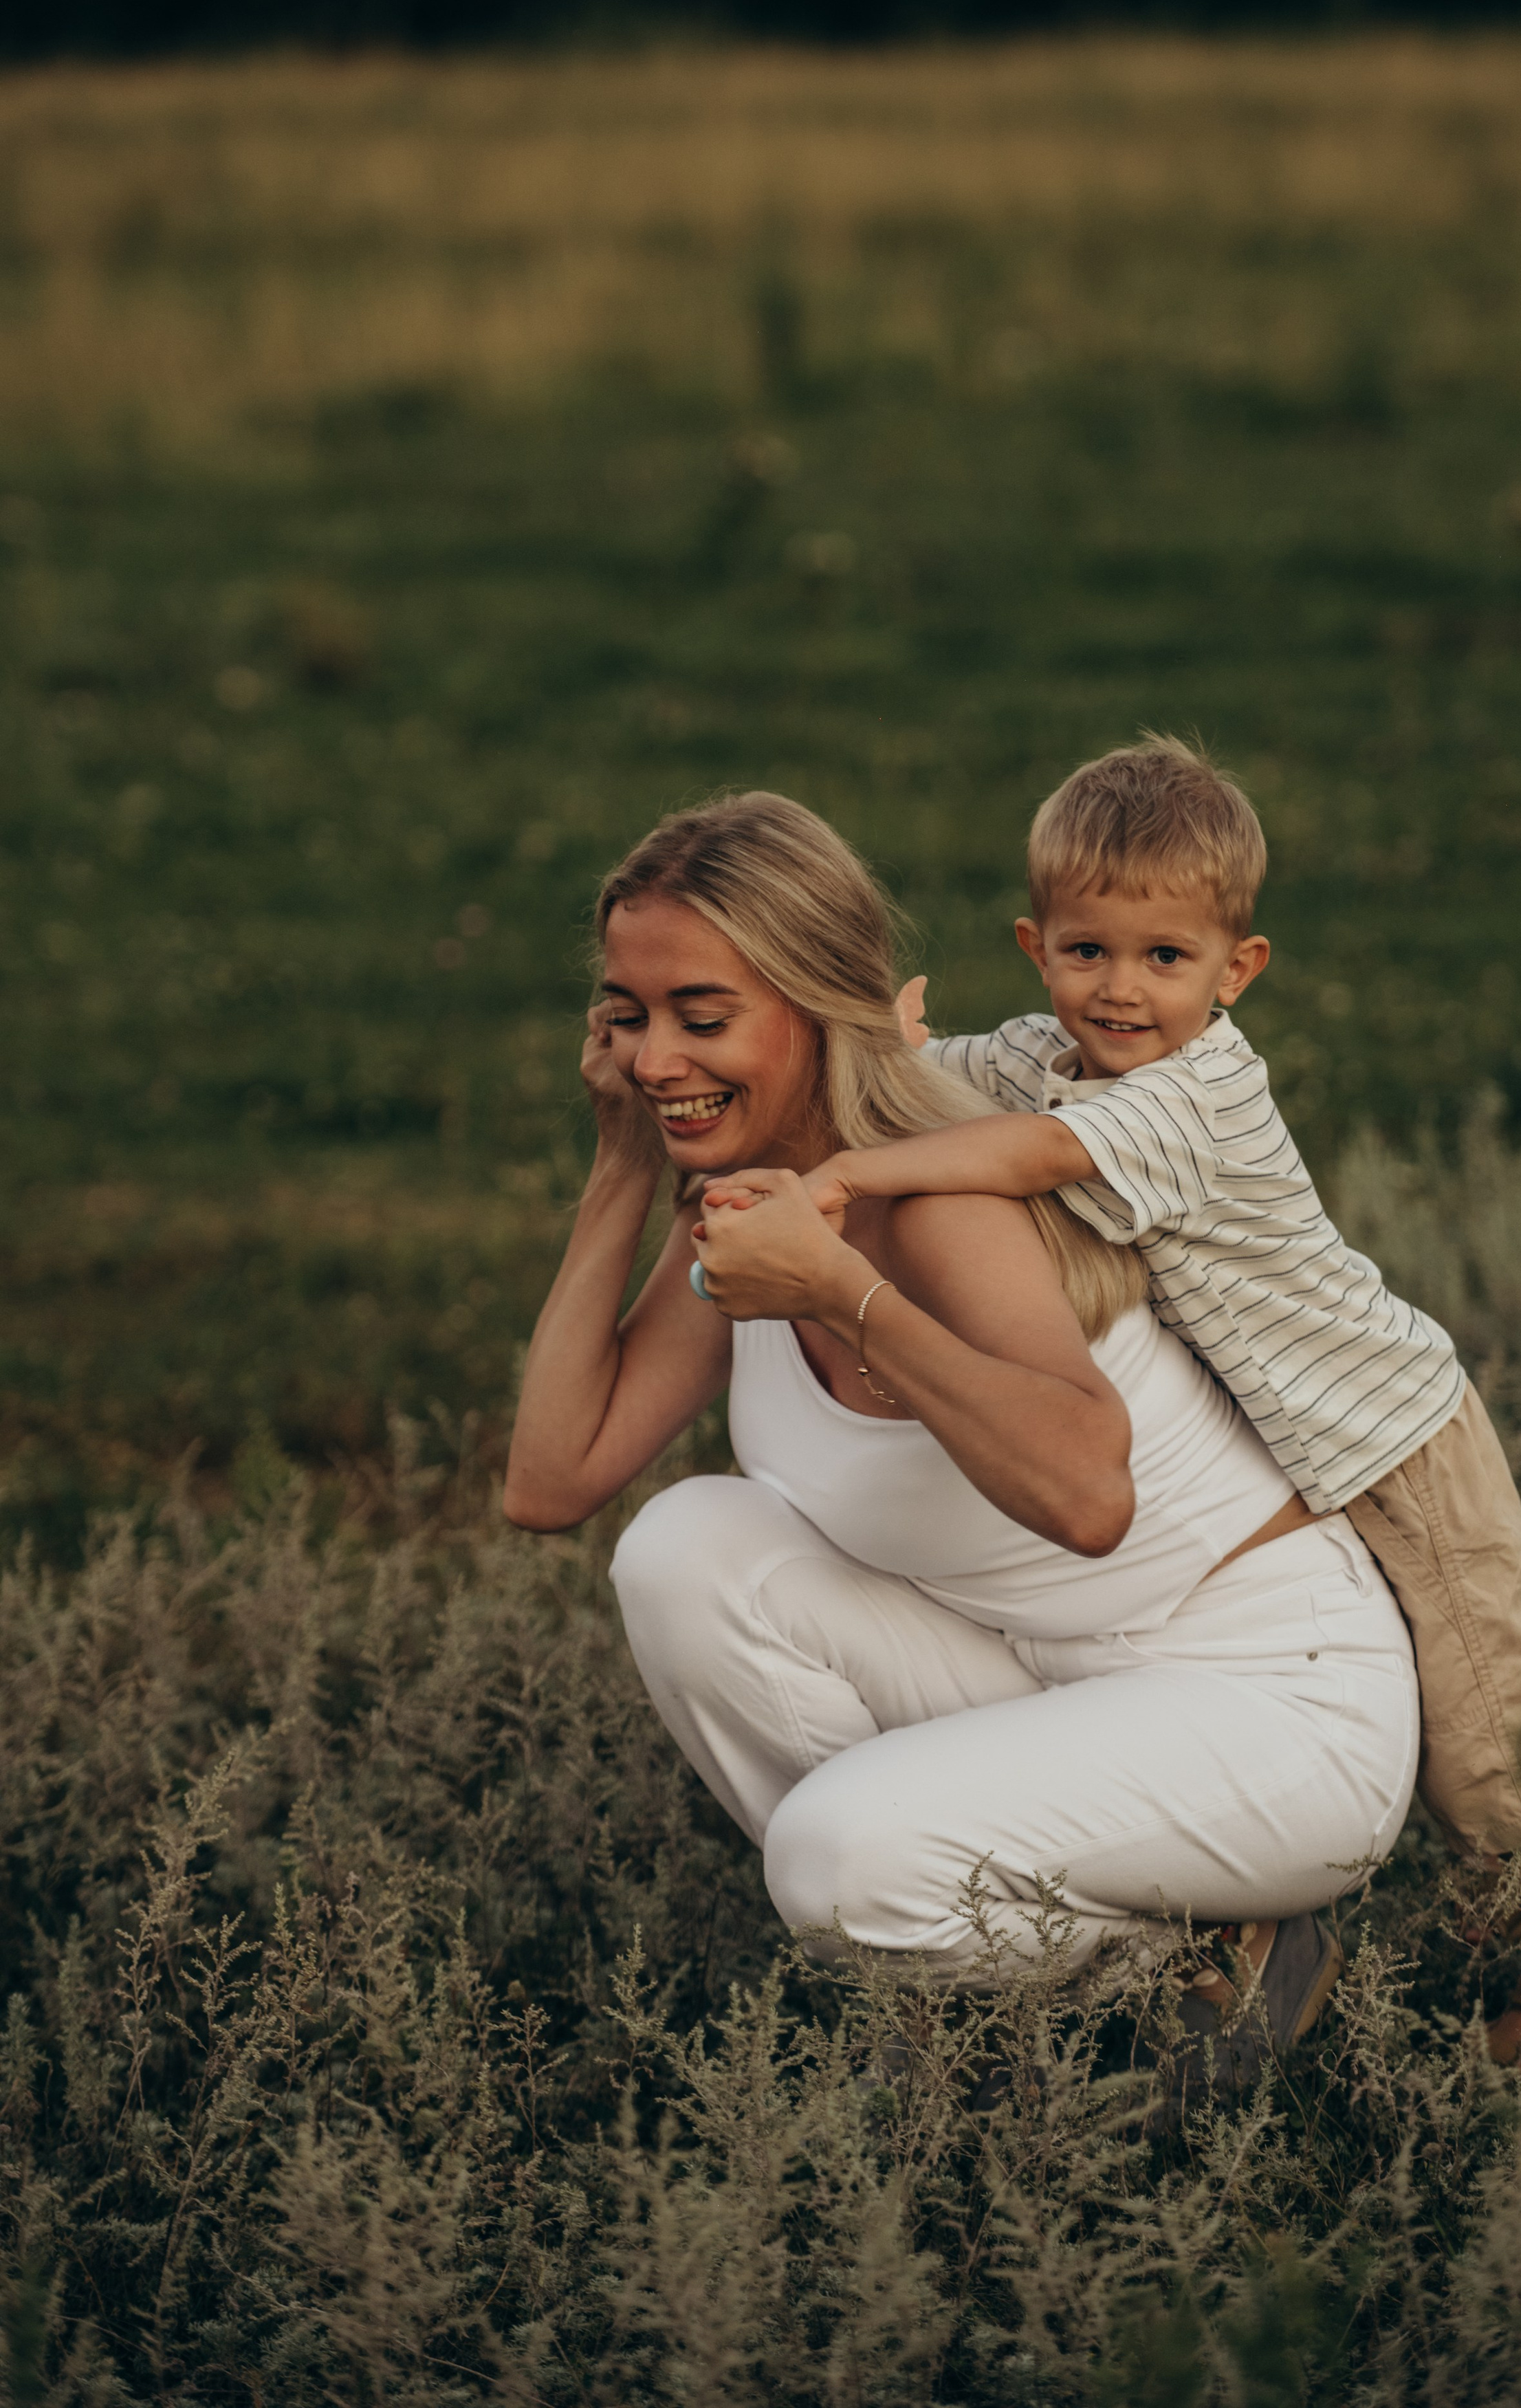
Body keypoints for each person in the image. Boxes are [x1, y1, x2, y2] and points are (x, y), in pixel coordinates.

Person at [505, 789, 1421, 2090]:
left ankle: (1192, 1956)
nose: (657, 1059)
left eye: (703, 1020)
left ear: (821, 1008)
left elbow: (1088, 1494)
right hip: (1052, 1678)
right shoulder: (752, 1199)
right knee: (681, 1548)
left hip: (1272, 1705)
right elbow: (554, 1480)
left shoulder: (927, 1196)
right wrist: (620, 1164)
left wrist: (839, 1290)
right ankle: (1087, 1976)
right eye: (628, 1016)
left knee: (832, 1859)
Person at [771, 735, 1521, 2060]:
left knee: (1482, 1725)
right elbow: (954, 1089)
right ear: (1035, 946)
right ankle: (1291, 1909)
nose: (1123, 990)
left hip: (1388, 1430)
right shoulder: (1042, 1054)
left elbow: (1029, 1152)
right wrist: (897, 1059)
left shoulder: (1199, 1091)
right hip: (1291, 1439)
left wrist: (858, 1181)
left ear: (1236, 970)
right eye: (1088, 951)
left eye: (1166, 959)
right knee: (1441, 1716)